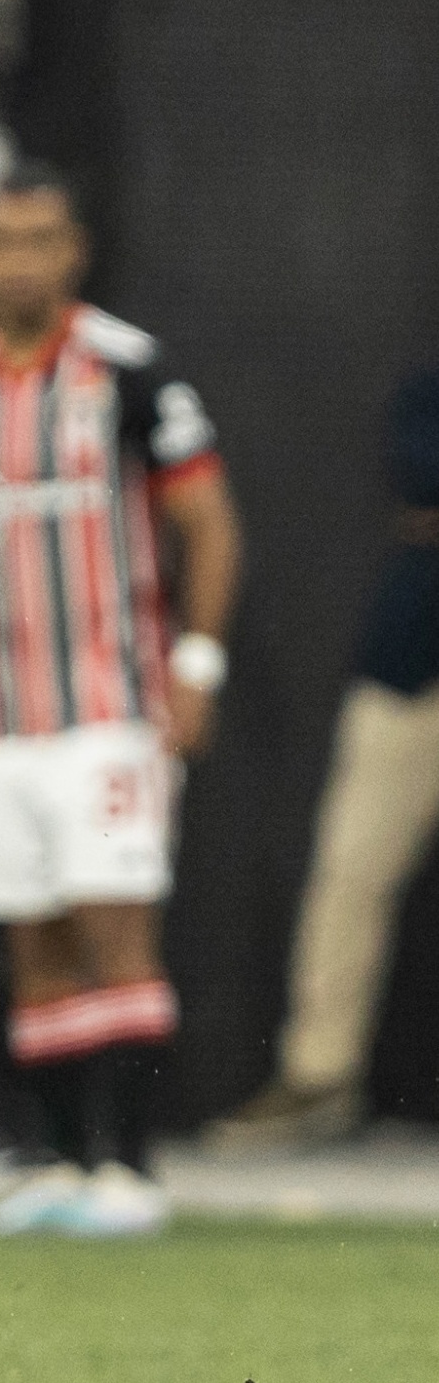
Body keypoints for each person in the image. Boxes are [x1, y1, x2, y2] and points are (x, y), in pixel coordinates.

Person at [0, 162, 241, 1237]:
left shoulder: (128, 373)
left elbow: (209, 524)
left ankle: (128, 1167)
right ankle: (54, 1159)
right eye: (0, 240)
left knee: (115, 923)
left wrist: (195, 665)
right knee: (29, 935)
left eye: (40, 238)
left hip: (109, 705)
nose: (19, 260)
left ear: (73, 251)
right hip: (2, 715)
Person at [207, 365, 439, 1150]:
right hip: (415, 661)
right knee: (351, 868)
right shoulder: (425, 388)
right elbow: (422, 466)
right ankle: (319, 1076)